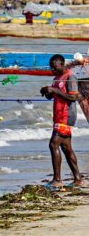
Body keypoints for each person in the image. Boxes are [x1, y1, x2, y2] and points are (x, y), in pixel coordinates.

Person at [41, 54, 83, 189]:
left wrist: (55, 90)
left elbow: (73, 98)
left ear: (62, 64)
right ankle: (78, 179)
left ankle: (57, 180)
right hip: (58, 115)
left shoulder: (71, 77)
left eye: (55, 68)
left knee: (53, 144)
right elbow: (52, 95)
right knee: (66, 148)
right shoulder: (56, 78)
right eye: (51, 68)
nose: (52, 71)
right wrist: (47, 91)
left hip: (66, 115)